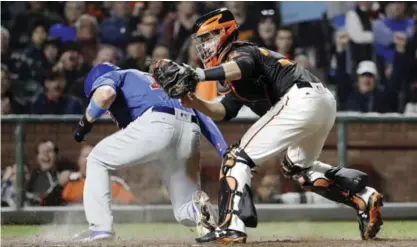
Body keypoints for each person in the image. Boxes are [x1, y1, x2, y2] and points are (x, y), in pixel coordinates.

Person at [158, 8, 385, 243]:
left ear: (225, 33)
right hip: (321, 101)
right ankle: (364, 198)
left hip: (300, 99)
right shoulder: (232, 71)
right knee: (298, 168)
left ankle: (231, 227)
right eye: (201, 40)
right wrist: (193, 101)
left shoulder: (240, 51)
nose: (203, 45)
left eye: (208, 37)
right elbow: (223, 111)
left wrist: (198, 74)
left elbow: (243, 66)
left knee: (236, 158)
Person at [71, 62, 227, 241]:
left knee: (97, 159)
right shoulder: (152, 80)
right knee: (184, 209)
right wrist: (224, 150)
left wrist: (84, 123)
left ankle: (100, 228)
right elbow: (201, 114)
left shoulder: (117, 76)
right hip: (189, 130)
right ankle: (206, 218)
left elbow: (105, 94)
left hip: (157, 123)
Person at [59, 144, 136, 205]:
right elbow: (51, 207)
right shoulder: (68, 181)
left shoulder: (114, 183)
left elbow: (131, 205)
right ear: (78, 161)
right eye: (85, 156)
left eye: (93, 157)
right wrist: (59, 185)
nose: (88, 160)